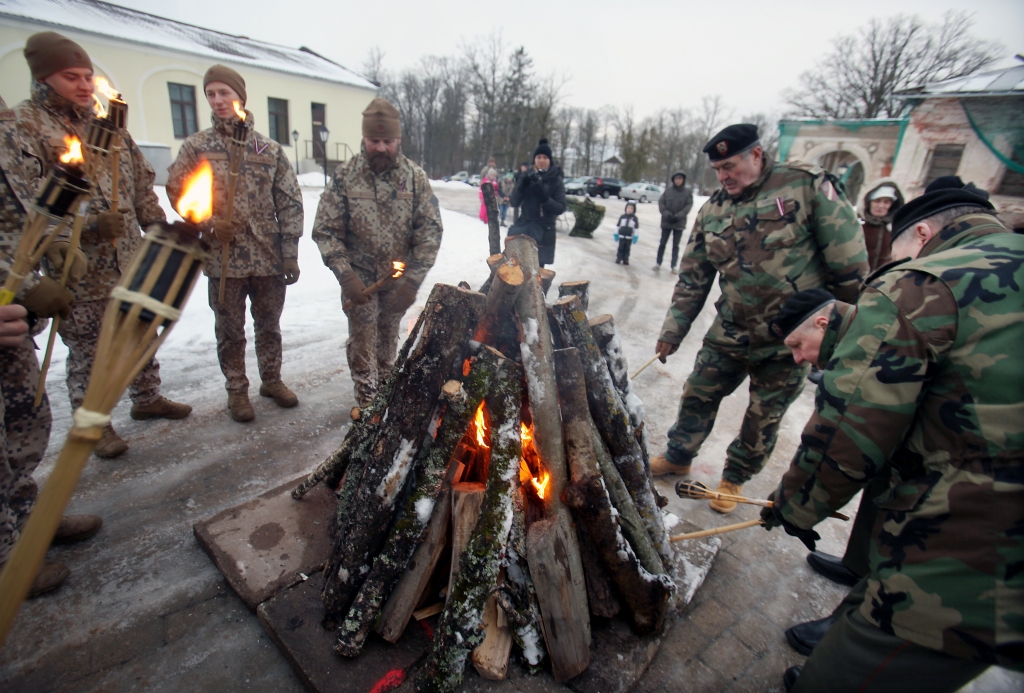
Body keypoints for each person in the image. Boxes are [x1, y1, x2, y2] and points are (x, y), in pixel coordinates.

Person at [764, 181, 1024, 692]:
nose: (896, 260)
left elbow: (850, 430)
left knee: (847, 675)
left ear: (922, 233)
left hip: (982, 544)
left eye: (899, 249)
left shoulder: (926, 282)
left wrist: (793, 507)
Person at [650, 123, 868, 512]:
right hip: (731, 329)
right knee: (699, 392)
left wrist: (841, 338)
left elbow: (849, 267)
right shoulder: (713, 209)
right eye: (717, 170)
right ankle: (679, 455)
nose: (723, 176)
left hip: (792, 340)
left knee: (763, 416)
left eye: (730, 166)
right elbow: (693, 279)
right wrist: (673, 331)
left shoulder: (805, 187)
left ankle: (734, 479)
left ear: (756, 154)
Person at [15, 32, 190, 458]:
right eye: (70, 76)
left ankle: (146, 397)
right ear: (43, 79)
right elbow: (27, 203)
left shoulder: (108, 125)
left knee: (138, 332)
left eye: (88, 75)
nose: (84, 84)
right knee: (90, 349)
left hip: (131, 256)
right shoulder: (26, 126)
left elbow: (141, 180)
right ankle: (95, 422)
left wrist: (156, 224)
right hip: (78, 264)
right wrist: (91, 226)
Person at [1, 91, 101, 597]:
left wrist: (60, 245)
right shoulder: (24, 119)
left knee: (24, 424)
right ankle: (6, 562)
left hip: (13, 320)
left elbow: (29, 208)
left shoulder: (7, 131)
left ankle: (23, 521)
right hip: (9, 297)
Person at [167, 64, 303, 423]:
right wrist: (208, 225)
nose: (217, 100)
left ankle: (271, 380)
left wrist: (290, 254)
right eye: (211, 94)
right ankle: (237, 390)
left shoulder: (268, 149)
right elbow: (178, 192)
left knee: (269, 325)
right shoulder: (198, 146)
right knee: (230, 331)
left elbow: (289, 201)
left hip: (267, 256)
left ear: (240, 97)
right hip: (224, 257)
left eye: (224, 93)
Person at [768, 288, 891, 657]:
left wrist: (794, 509)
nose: (797, 358)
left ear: (823, 323)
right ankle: (857, 566)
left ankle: (851, 631)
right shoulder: (859, 323)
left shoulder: (862, 352)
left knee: (903, 533)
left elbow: (839, 449)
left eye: (799, 345)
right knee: (881, 491)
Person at [312, 97, 442, 412]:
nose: (381, 147)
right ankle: (367, 402)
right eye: (374, 141)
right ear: (364, 139)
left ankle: (384, 393)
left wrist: (412, 282)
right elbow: (326, 229)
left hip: (398, 279)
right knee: (362, 340)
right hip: (360, 279)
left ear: (398, 140)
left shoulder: (413, 178)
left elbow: (429, 231)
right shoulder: (346, 176)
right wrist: (345, 274)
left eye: (387, 141)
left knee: (388, 337)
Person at [507, 139, 565, 267]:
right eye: (538, 157)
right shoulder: (527, 176)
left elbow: (560, 207)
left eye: (545, 157)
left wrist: (544, 197)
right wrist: (521, 186)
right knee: (516, 268)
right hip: (524, 227)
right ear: (534, 159)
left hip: (544, 230)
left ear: (550, 160)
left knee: (537, 272)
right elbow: (514, 202)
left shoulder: (556, 179)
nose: (542, 160)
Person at [858, 179, 904, 271]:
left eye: (886, 202)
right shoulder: (855, 222)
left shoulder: (896, 228)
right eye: (877, 201)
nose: (881, 206)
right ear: (868, 202)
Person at [656, 170, 693, 270]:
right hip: (666, 221)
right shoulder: (668, 191)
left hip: (679, 223)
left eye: (680, 179)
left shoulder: (687, 192)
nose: (678, 181)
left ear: (683, 180)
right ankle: (658, 263)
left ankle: (674, 265)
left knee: (675, 245)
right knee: (662, 243)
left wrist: (678, 216)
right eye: (676, 179)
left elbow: (688, 206)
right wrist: (667, 214)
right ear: (673, 180)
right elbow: (661, 203)